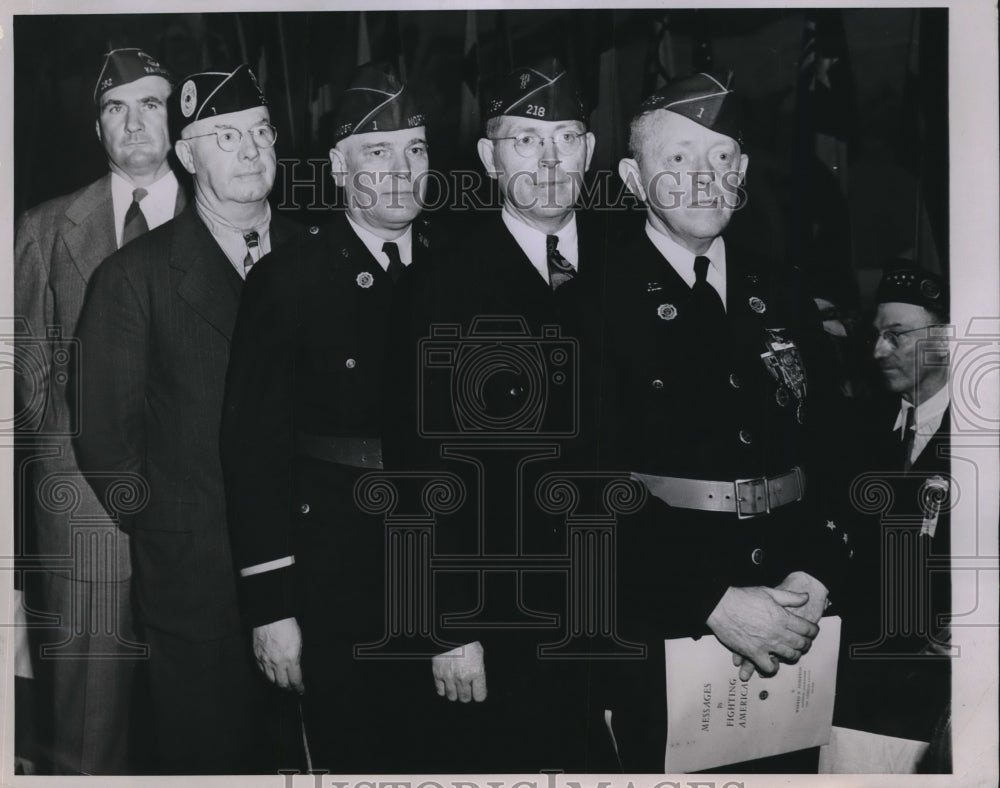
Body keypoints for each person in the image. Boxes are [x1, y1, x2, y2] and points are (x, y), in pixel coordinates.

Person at [597, 71, 850, 771]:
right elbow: (576, 483)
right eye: (677, 159)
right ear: (631, 177)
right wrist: (708, 598)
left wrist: (818, 574)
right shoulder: (590, 302)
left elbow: (837, 446)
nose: (703, 177)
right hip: (662, 624)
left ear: (740, 171)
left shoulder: (784, 291)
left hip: (799, 615)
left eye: (721, 157)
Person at [384, 56, 612, 772]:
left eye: (567, 137)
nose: (549, 160)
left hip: (634, 599)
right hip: (504, 611)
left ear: (591, 150)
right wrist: (446, 623)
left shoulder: (635, 264)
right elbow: (418, 465)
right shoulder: (441, 284)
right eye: (524, 141)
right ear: (487, 157)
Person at [74, 64, 298, 773]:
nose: (250, 151)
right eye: (224, 136)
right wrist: (169, 526)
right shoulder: (136, 277)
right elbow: (106, 440)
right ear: (188, 154)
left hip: (321, 575)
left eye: (261, 133)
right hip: (198, 589)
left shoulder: (322, 256)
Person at [220, 62, 433, 773]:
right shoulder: (291, 279)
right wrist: (271, 607)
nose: (402, 170)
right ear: (340, 168)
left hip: (447, 571)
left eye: (417, 149)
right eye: (379, 152)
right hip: (337, 574)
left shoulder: (458, 271)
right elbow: (252, 448)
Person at [13, 47, 183, 774]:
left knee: (210, 712)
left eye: (151, 103)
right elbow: (22, 364)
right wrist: (61, 453)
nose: (135, 122)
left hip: (201, 503)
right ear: (97, 127)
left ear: (179, 116)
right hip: (83, 508)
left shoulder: (230, 216)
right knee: (88, 719)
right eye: (117, 107)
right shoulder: (48, 227)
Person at [821, 264, 952, 773]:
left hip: (934, 713)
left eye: (896, 335)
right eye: (876, 335)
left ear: (946, 338)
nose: (878, 351)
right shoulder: (859, 430)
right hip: (849, 696)